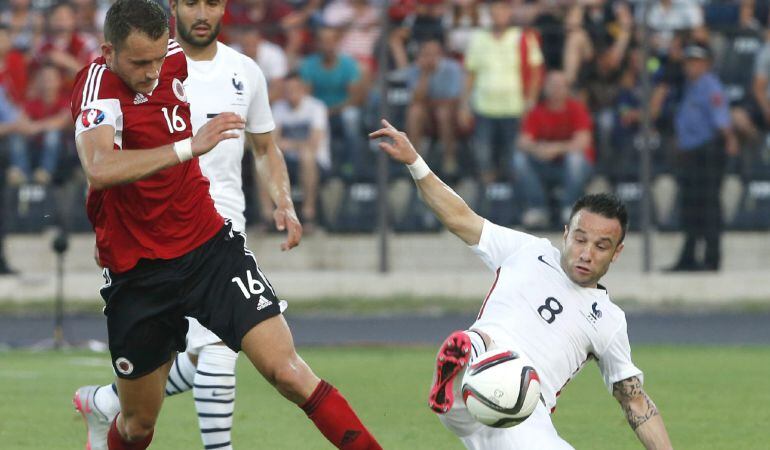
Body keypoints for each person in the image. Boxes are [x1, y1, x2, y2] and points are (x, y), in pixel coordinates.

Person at [68, 2, 381, 450]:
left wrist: (283, 201)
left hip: (210, 247)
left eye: (158, 58)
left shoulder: (191, 60)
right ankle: (105, 408)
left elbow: (264, 144)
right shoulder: (95, 85)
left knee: (288, 372)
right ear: (108, 51)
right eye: (139, 62)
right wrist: (186, 147)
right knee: (137, 424)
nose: (153, 71)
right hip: (138, 270)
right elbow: (98, 166)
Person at [369, 119, 673, 450]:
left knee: (503, 387)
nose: (586, 253)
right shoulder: (528, 251)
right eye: (580, 239)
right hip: (486, 376)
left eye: (601, 246)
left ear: (617, 253)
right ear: (566, 234)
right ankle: (463, 360)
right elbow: (460, 218)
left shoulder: (608, 320)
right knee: (481, 346)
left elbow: (634, 402)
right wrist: (416, 161)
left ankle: (462, 364)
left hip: (523, 415)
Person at [668, 43, 738, 272]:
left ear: (706, 63)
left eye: (696, 61)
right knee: (691, 206)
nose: (691, 66)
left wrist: (729, 140)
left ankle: (711, 258)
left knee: (708, 206)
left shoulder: (710, 86)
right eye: (689, 61)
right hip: (691, 153)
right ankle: (689, 256)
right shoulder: (690, 86)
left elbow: (721, 120)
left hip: (707, 152)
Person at [459, 0, 543, 185]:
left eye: (503, 10)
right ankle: (486, 199)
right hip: (483, 107)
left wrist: (531, 100)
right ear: (490, 13)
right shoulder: (478, 37)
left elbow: (536, 70)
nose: (499, 14)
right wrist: (464, 105)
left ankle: (513, 200)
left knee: (513, 157)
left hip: (514, 107)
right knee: (483, 157)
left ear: (509, 12)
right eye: (495, 10)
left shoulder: (523, 37)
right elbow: (470, 74)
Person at [513, 71, 594, 228]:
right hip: (544, 165)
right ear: (545, 88)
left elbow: (584, 141)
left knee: (575, 158)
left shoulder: (576, 108)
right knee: (518, 159)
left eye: (560, 86)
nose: (556, 89)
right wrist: (537, 149)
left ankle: (569, 208)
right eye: (552, 85)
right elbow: (522, 141)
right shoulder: (536, 111)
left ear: (567, 89)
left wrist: (556, 149)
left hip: (572, 168)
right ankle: (537, 208)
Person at [269, 72, 330, 229]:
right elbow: (272, 142)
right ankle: (267, 217)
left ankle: (308, 214)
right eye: (287, 90)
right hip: (286, 161)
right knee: (263, 158)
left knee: (307, 155)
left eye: (295, 89)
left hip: (315, 162)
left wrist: (288, 144)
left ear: (303, 89)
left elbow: (314, 143)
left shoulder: (316, 107)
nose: (291, 93)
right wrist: (295, 144)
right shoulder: (279, 108)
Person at [405, 39, 464, 177]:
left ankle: (449, 159)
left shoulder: (452, 68)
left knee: (442, 112)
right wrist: (425, 74)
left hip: (450, 112)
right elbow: (416, 99)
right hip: (427, 112)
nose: (430, 58)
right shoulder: (415, 70)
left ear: (441, 55)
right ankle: (413, 162)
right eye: (426, 54)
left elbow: (453, 98)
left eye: (434, 54)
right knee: (415, 111)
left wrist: (431, 102)